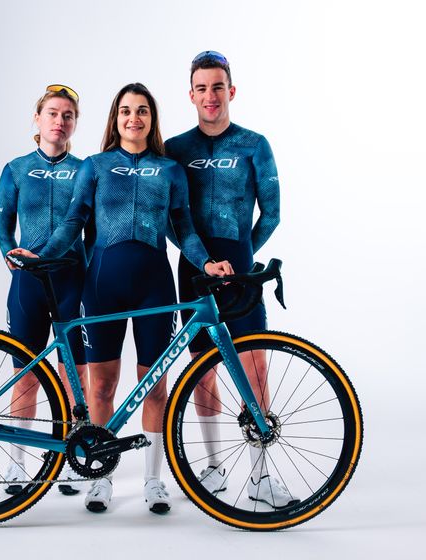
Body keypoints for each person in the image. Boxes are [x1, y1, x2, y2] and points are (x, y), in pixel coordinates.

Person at [11, 83, 232, 514]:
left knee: (155, 386)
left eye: (143, 111)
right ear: (115, 119)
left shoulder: (170, 170)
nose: (135, 118)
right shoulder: (95, 166)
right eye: (126, 111)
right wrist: (44, 254)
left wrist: (205, 263)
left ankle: (154, 480)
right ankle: (102, 477)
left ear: (152, 119)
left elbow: (184, 229)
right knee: (104, 385)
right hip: (103, 288)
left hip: (155, 288)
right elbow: (73, 222)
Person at [165, 51, 297, 508]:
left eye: (217, 87)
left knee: (256, 365)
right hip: (195, 270)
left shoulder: (254, 144)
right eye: (201, 88)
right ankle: (215, 466)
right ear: (191, 95)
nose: (210, 96)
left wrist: (241, 258)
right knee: (204, 366)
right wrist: (203, 260)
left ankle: (260, 475)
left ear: (231, 91)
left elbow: (273, 212)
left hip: (241, 270)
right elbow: (173, 221)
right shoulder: (176, 149)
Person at [0, 84, 90, 497]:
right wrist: (7, 253)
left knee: (75, 376)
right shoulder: (16, 169)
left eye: (68, 115)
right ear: (37, 119)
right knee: (25, 374)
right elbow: (3, 222)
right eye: (53, 113)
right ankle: (19, 465)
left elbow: (94, 227)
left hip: (72, 279)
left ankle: (71, 461)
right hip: (28, 283)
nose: (60, 121)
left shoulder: (86, 169)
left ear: (74, 123)